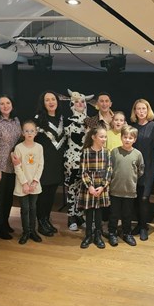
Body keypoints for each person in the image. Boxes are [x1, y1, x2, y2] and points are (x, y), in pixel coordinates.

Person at [33, 91, 65, 237]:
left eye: (53, 99)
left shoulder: (62, 119)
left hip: (57, 163)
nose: (51, 102)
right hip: (43, 163)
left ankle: (47, 219)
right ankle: (41, 222)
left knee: (51, 194)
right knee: (43, 194)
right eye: (47, 100)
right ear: (43, 103)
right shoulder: (38, 120)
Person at [0, 94, 22, 239]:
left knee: (9, 197)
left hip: (13, 166)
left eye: (7, 103)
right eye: (1, 103)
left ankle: (6, 222)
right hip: (0, 165)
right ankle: (0, 226)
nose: (5, 106)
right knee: (0, 198)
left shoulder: (16, 121)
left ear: (12, 105)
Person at [130, 99, 154, 241]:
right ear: (135, 111)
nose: (141, 111)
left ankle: (144, 227)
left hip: (148, 167)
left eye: (144, 108)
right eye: (138, 109)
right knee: (135, 199)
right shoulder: (132, 127)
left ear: (148, 110)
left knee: (144, 198)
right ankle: (138, 224)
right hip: (133, 168)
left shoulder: (153, 126)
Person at [108, 126, 144, 247]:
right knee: (113, 214)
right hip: (115, 190)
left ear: (135, 139)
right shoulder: (114, 152)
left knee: (127, 214)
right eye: (125, 137)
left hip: (130, 191)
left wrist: (132, 180)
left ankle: (127, 233)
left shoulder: (138, 154)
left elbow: (140, 170)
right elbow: (109, 169)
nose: (127, 140)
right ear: (121, 137)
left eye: (130, 138)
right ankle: (112, 233)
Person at [78, 126, 112, 249]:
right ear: (93, 137)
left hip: (101, 186)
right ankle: (88, 235)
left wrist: (103, 186)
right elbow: (83, 171)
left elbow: (109, 170)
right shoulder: (86, 152)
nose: (104, 139)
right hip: (89, 187)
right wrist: (90, 187)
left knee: (98, 212)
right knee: (89, 212)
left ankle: (98, 235)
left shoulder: (107, 152)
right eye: (101, 136)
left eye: (105, 136)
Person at [64, 89, 93, 231]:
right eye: (77, 101)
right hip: (71, 161)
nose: (80, 104)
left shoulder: (90, 121)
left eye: (82, 101)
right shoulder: (67, 121)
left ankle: (80, 215)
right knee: (72, 188)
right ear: (72, 104)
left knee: (83, 189)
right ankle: (71, 216)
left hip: (86, 161)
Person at [13, 120, 44, 245]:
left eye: (32, 131)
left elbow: (40, 165)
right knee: (25, 209)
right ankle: (26, 232)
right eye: (27, 131)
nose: (29, 133)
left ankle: (33, 231)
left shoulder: (39, 147)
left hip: (34, 184)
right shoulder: (18, 148)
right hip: (23, 185)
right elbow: (17, 167)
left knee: (33, 208)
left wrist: (35, 181)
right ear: (22, 133)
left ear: (36, 133)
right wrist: (25, 183)